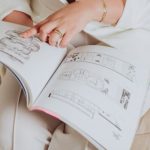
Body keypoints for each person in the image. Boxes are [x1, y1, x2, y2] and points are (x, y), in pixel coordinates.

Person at [0, 0, 150, 150]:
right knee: (13, 133)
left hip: (126, 35)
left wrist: (94, 8)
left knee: (87, 137)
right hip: (46, 22)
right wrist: (16, 17)